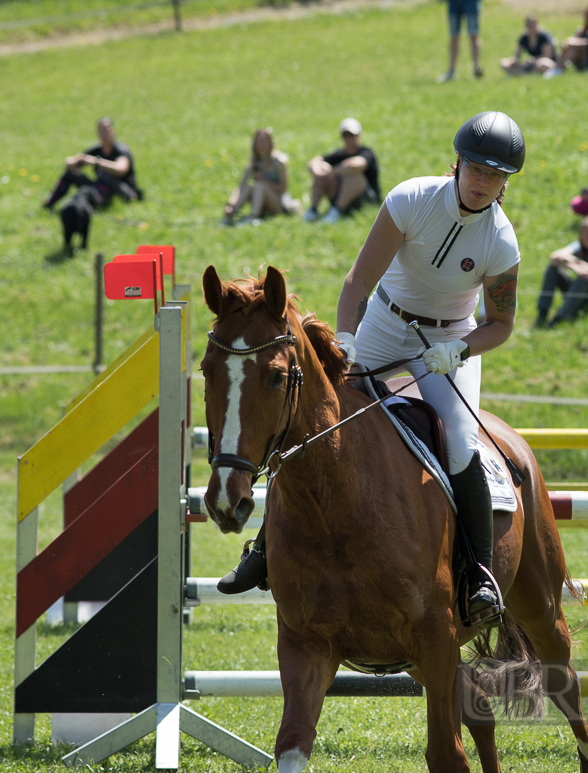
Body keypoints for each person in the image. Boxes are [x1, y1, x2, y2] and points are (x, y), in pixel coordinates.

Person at [219, 111, 526, 627]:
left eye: (495, 176)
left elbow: (501, 324)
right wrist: (345, 338)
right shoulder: (411, 199)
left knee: (460, 442)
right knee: (314, 422)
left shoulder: (500, 241)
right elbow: (358, 281)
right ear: (457, 163)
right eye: (475, 169)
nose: (481, 183)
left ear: (504, 184)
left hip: (449, 340)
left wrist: (460, 349)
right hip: (383, 323)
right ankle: (263, 549)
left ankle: (478, 574)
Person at [42, 117, 143, 255]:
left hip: (124, 192)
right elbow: (71, 161)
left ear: (113, 131)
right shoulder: (96, 149)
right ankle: (48, 204)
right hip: (100, 190)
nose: (104, 133)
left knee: (105, 175)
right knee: (71, 173)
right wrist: (76, 162)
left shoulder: (121, 150)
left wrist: (96, 162)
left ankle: (95, 203)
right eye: (101, 130)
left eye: (107, 130)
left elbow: (121, 169)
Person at [304, 118, 381, 225]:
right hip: (342, 194)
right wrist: (319, 172)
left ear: (358, 135)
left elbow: (356, 165)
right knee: (323, 169)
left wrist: (333, 172)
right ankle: (313, 210)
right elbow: (314, 161)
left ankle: (336, 211)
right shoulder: (339, 154)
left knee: (354, 175)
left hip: (365, 198)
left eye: (351, 135)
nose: (348, 139)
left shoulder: (367, 152)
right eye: (345, 135)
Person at [223, 129, 299, 225]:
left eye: (264, 141)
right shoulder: (254, 162)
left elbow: (283, 189)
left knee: (259, 186)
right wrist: (231, 204)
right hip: (261, 202)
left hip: (279, 203)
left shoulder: (279, 162)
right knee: (250, 187)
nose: (262, 145)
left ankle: (254, 217)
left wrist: (263, 181)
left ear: (270, 143)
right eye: (259, 142)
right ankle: (230, 215)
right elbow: (241, 186)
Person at [544, 3, 588, 78]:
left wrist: (573, 44)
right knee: (571, 48)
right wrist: (568, 44)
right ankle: (558, 69)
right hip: (582, 61)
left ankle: (559, 69)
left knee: (578, 49)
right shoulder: (583, 30)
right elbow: (573, 39)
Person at [439, 0, 483, 82]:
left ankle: (476, 69)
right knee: (454, 36)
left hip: (471, 2)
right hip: (454, 2)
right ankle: (451, 71)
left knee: (473, 34)